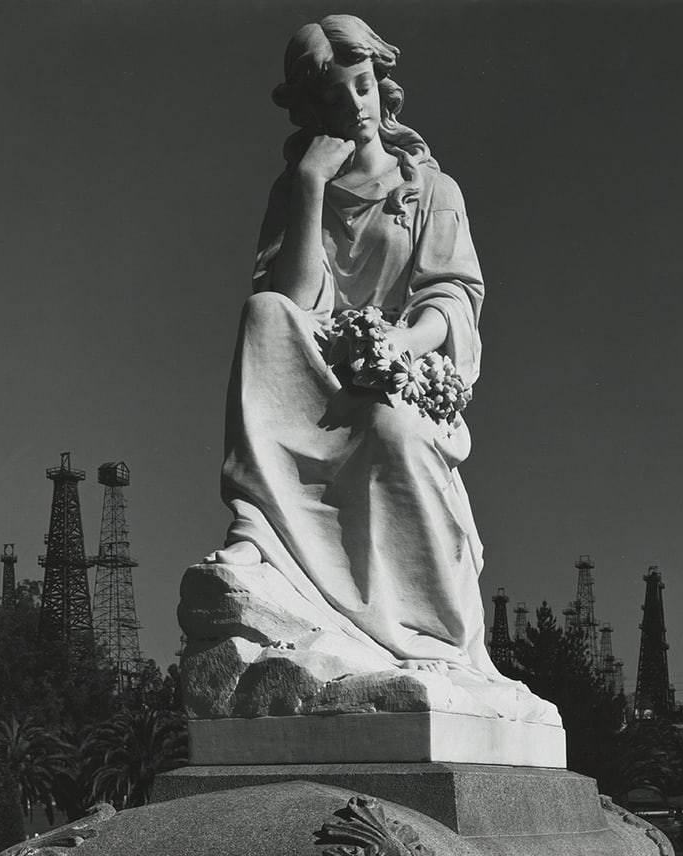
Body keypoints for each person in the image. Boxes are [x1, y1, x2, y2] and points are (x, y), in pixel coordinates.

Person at [203, 15, 503, 682]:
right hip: (320, 374)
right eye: (335, 98)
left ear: (382, 86)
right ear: (312, 111)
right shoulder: (295, 191)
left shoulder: (431, 190)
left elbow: (450, 297)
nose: (355, 107)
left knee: (390, 428)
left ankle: (428, 628)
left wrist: (399, 343)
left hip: (405, 372)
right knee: (262, 312)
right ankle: (259, 528)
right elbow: (297, 303)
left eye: (362, 87)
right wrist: (310, 188)